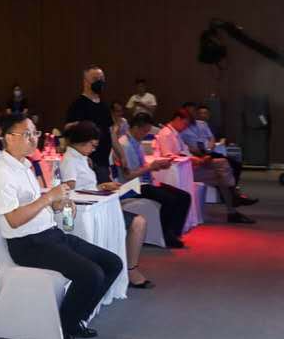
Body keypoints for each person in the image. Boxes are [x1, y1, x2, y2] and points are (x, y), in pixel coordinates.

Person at [0, 115, 123, 339]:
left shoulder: (25, 166)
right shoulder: (1, 174)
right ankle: (64, 327)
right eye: (27, 134)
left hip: (50, 235)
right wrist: (48, 197)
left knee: (112, 263)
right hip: (27, 245)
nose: (33, 139)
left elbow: (35, 205)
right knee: (91, 274)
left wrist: (56, 204)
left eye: (35, 133)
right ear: (8, 137)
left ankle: (76, 319)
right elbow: (14, 219)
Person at [60, 121, 152, 288]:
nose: (94, 149)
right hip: (86, 211)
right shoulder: (70, 160)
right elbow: (69, 190)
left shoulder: (81, 157)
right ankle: (130, 269)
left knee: (138, 222)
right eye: (92, 145)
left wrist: (100, 187)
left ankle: (129, 268)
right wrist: (96, 190)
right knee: (138, 223)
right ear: (82, 142)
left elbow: (84, 186)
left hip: (98, 206)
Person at [154, 109, 255, 223]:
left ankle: (233, 201)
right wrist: (194, 159)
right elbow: (169, 156)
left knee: (222, 165)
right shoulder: (166, 134)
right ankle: (234, 199)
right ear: (178, 119)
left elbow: (184, 151)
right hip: (181, 169)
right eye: (185, 124)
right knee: (222, 173)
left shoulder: (175, 133)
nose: (185, 127)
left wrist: (199, 159)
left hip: (188, 165)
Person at [112, 113, 192, 248]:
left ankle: (174, 232)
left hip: (143, 182)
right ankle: (166, 235)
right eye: (144, 131)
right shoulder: (124, 145)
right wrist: (151, 167)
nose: (145, 135)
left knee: (184, 196)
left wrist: (157, 166)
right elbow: (128, 176)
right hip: (131, 186)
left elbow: (141, 167)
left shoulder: (136, 143)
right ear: (136, 128)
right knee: (169, 199)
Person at [64, 65, 112, 169]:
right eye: (95, 79)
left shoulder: (104, 105)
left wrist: (121, 155)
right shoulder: (78, 105)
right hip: (87, 162)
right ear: (85, 82)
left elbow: (110, 132)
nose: (99, 82)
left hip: (104, 160)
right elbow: (68, 132)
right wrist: (82, 157)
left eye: (102, 79)